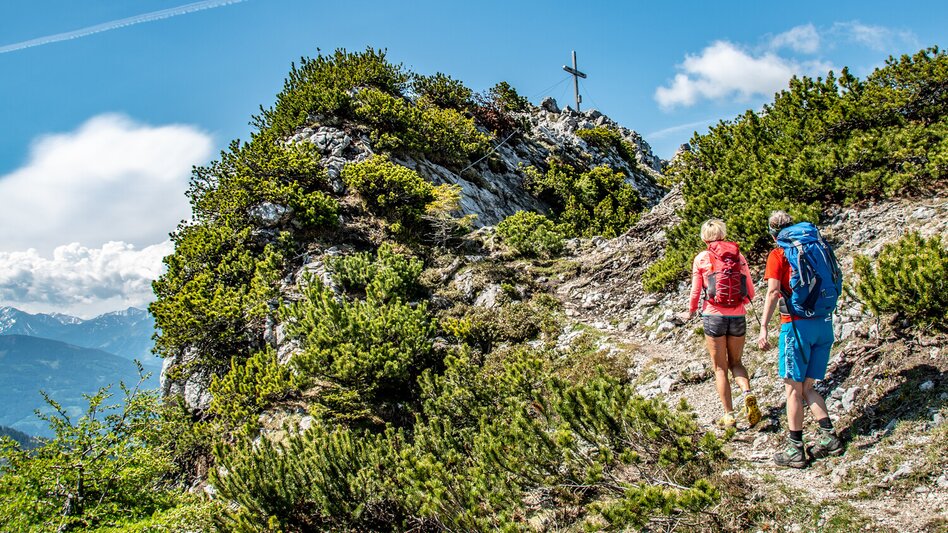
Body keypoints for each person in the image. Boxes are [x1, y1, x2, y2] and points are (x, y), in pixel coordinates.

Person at [757, 210, 844, 468]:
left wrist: (763, 326)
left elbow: (773, 292)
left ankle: (796, 449)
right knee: (808, 387)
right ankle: (829, 438)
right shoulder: (814, 245)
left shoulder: (779, 253)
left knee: (793, 389)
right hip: (823, 324)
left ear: (774, 234)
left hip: (796, 327)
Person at [680, 219, 761, 429]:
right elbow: (750, 292)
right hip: (738, 316)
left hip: (713, 316)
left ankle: (729, 415)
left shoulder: (701, 258)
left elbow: (696, 291)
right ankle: (747, 393)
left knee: (720, 368)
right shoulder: (738, 257)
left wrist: (690, 312)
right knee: (737, 362)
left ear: (704, 238)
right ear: (723, 234)